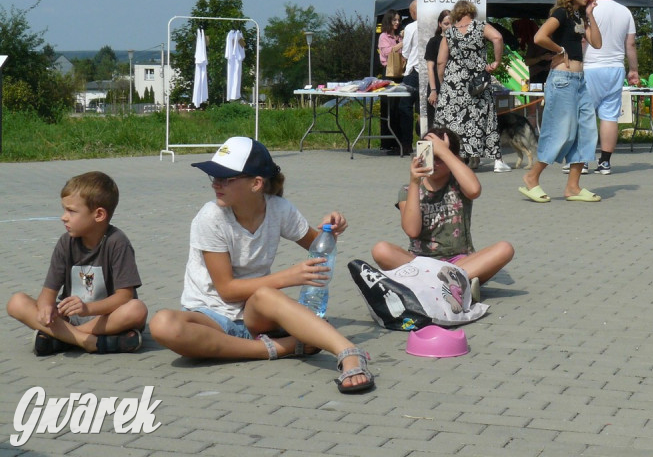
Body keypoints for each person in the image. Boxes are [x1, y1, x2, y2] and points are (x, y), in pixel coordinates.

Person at [148, 137, 374, 394]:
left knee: (266, 295)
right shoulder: (210, 217)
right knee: (162, 324)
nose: (216, 184)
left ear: (256, 184)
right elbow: (227, 291)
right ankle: (285, 347)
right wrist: (289, 276)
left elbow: (319, 248)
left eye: (226, 178)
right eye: (213, 177)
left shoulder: (278, 209)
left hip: (256, 315)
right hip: (209, 317)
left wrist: (329, 229)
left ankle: (349, 352)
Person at [6, 171, 148, 355]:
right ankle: (92, 342)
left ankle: (64, 338)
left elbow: (125, 297)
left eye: (71, 211)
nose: (63, 217)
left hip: (106, 318)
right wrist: (45, 308)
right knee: (16, 302)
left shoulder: (117, 242)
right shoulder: (66, 243)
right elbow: (47, 295)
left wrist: (87, 308)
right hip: (70, 318)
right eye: (64, 209)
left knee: (137, 310)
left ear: (98, 214)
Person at [371, 127, 515, 297]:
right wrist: (415, 182)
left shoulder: (458, 183)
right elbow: (412, 230)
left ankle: (433, 285)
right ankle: (455, 285)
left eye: (439, 158)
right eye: (429, 155)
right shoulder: (408, 189)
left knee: (505, 249)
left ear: (454, 158)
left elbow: (475, 190)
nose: (433, 162)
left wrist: (445, 152)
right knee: (381, 250)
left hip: (459, 262)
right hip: (420, 262)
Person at [519, 0, 603, 203]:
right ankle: (531, 178)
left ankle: (573, 187)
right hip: (562, 81)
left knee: (586, 132)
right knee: (560, 132)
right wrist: (560, 50)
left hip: (579, 82)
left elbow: (597, 43)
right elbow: (539, 36)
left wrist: (590, 16)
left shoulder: (579, 16)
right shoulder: (561, 13)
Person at [435, 0, 506, 171]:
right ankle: (496, 161)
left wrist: (443, 83)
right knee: (482, 117)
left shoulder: (449, 33)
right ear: (472, 12)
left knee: (451, 120)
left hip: (454, 82)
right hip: (477, 82)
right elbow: (497, 37)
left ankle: (450, 157)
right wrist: (496, 61)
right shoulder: (480, 26)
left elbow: (440, 62)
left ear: (456, 14)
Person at [584, 0, 641, 175]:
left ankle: (582, 161)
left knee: (586, 114)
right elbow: (630, 44)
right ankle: (605, 162)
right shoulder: (624, 11)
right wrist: (633, 69)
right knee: (609, 116)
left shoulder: (589, 11)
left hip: (591, 66)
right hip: (615, 68)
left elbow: (584, 40)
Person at [377, 9, 404, 150]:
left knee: (399, 108)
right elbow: (387, 52)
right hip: (388, 72)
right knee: (388, 107)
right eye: (394, 20)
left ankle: (398, 140)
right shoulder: (384, 36)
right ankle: (387, 142)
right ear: (389, 21)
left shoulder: (399, 36)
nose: (397, 23)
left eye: (398, 20)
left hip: (399, 73)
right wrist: (402, 43)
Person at [397, 0, 421, 156]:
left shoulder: (411, 27)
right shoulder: (435, 25)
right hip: (430, 71)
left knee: (405, 106)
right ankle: (425, 138)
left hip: (413, 71)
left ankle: (406, 143)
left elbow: (405, 52)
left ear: (413, 13)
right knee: (424, 108)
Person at [424, 9, 451, 129]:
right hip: (437, 84)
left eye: (452, 23)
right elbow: (430, 68)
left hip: (453, 84)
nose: (449, 26)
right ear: (440, 24)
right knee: (435, 123)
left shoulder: (458, 41)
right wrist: (433, 90)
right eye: (446, 24)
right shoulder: (434, 42)